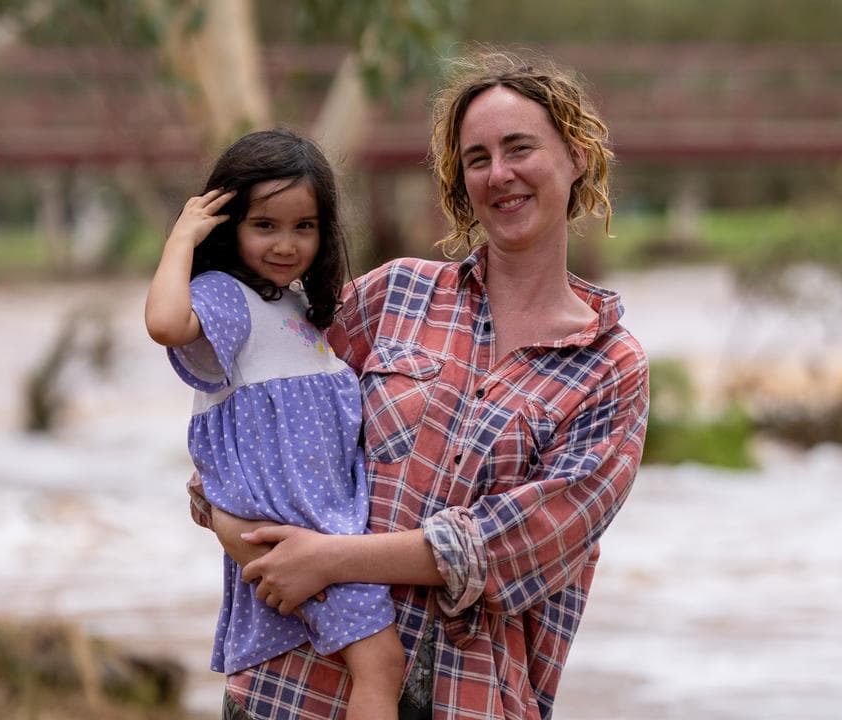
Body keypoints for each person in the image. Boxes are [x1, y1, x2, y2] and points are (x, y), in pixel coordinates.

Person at [194, 48, 651, 720]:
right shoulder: (393, 296)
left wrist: (328, 560)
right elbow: (249, 405)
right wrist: (226, 509)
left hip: (465, 699)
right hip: (294, 687)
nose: (500, 175)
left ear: (577, 154)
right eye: (477, 158)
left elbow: (512, 545)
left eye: (519, 148)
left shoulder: (612, 368)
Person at [145, 128, 407, 720]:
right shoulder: (225, 297)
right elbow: (164, 323)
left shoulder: (293, 309)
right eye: (265, 225)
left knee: (356, 674)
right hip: (299, 536)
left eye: (303, 226)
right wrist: (182, 237)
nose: (286, 245)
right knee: (382, 665)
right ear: (228, 224)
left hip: (327, 533)